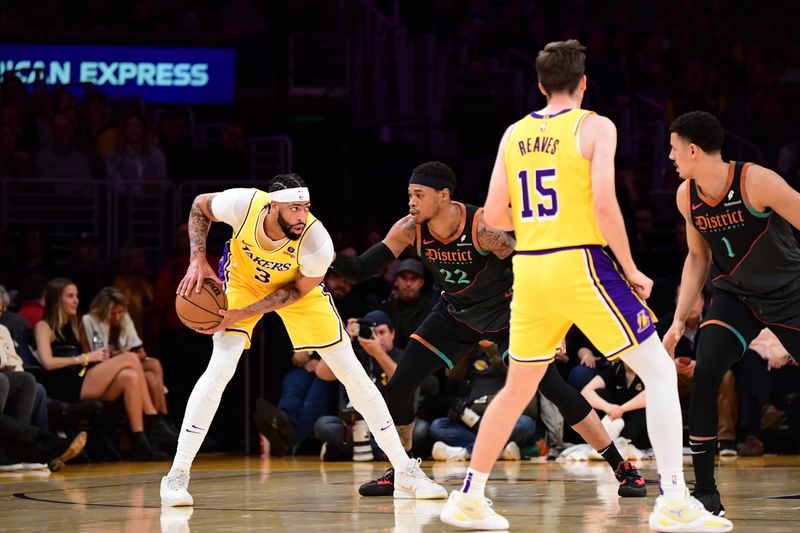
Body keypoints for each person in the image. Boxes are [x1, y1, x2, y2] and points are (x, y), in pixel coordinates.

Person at [439, 41, 730, 531]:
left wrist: (534, 228)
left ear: (538, 84)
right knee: (659, 372)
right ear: (584, 82)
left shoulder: (514, 133)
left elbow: (491, 215)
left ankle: (468, 497)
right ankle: (674, 500)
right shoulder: (595, 125)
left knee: (516, 388)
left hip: (529, 268)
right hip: (579, 262)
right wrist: (632, 267)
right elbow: (603, 204)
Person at [333, 160, 645, 500]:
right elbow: (361, 270)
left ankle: (622, 466)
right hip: (455, 313)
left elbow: (538, 267)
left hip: (508, 312)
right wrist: (321, 252)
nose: (411, 202)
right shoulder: (409, 228)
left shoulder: (484, 228)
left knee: (550, 384)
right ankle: (403, 470)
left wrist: (552, 324)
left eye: (419, 195)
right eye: (409, 194)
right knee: (399, 386)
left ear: (444, 196)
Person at [160, 174, 445, 507]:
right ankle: (177, 476)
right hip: (242, 282)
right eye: (294, 208)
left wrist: (240, 315)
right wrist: (198, 259)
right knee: (221, 367)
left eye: (305, 207)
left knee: (351, 372)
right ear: (273, 205)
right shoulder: (243, 203)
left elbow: (294, 291)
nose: (301, 216)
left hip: (297, 291)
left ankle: (405, 471)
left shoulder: (316, 241)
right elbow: (199, 206)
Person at [663, 110, 800, 517]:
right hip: (734, 296)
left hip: (788, 291)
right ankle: (706, 493)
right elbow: (696, 257)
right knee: (706, 374)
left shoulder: (756, 181)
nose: (669, 157)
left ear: (692, 149)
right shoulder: (686, 195)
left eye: (673, 150)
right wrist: (677, 318)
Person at [33, 277, 166, 460]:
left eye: (77, 296)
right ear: (56, 299)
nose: (76, 300)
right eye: (70, 296)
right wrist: (83, 358)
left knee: (130, 376)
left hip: (83, 379)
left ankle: (140, 440)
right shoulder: (44, 326)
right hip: (66, 386)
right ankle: (155, 419)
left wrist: (102, 356)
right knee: (130, 358)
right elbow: (47, 363)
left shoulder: (73, 323)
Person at [82, 286, 177, 446]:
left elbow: (138, 348)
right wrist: (120, 356)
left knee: (153, 367)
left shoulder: (124, 319)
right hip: (95, 374)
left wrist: (137, 355)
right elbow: (93, 359)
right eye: (113, 313)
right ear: (103, 310)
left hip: (123, 371)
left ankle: (163, 422)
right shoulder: (89, 321)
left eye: (120, 312)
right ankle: (155, 420)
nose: (118, 317)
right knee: (131, 358)